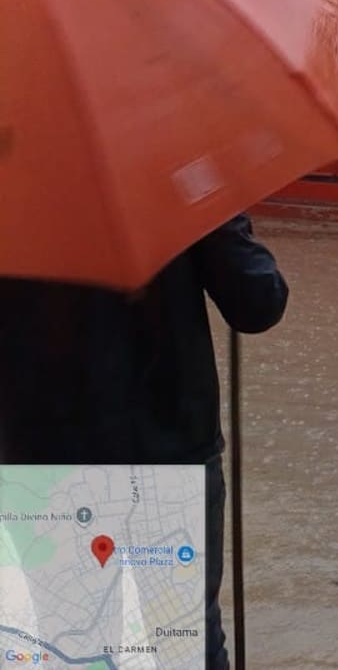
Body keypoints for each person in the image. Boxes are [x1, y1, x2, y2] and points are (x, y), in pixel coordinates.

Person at [0, 212, 289, 670]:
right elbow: (258, 302)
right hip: (168, 454)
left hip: (44, 461)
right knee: (185, 646)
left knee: (73, 646)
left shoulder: (14, 177)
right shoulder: (176, 168)